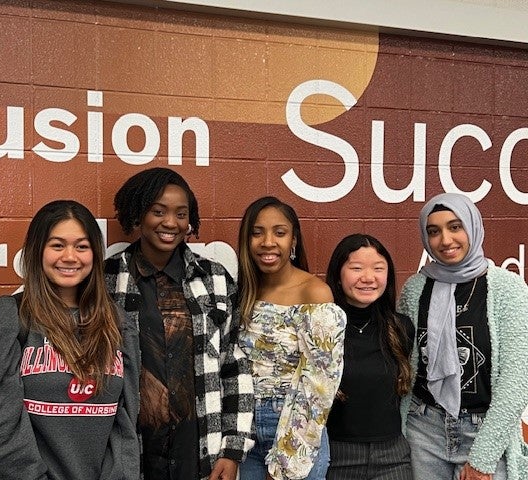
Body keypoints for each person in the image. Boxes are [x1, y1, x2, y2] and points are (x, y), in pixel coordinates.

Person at [0, 200, 139, 480]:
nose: (70, 256)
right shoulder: (7, 318)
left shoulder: (117, 324)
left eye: (82, 246)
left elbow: (125, 424)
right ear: (37, 251)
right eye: (57, 245)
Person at [104, 167, 254, 480]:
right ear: (138, 214)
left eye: (181, 214)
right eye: (158, 211)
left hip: (200, 451)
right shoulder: (106, 279)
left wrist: (232, 450)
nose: (171, 223)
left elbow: (235, 365)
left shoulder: (214, 279)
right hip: (130, 452)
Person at [398, 193, 528, 480]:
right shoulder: (416, 288)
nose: (445, 240)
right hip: (424, 430)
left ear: (473, 227)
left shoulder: (508, 289)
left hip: (483, 430)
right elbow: (404, 365)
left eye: (455, 227)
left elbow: (516, 381)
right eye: (434, 231)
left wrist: (483, 457)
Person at [237, 196, 346, 480]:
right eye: (257, 232)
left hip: (293, 430)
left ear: (293, 240)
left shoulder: (314, 293)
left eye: (280, 233)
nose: (268, 242)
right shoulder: (244, 292)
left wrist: (287, 460)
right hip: (246, 433)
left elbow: (320, 385)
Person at [325, 233, 414, 479]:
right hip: (335, 456)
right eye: (356, 268)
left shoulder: (402, 328)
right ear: (338, 276)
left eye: (378, 268)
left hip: (393, 458)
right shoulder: (322, 328)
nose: (368, 278)